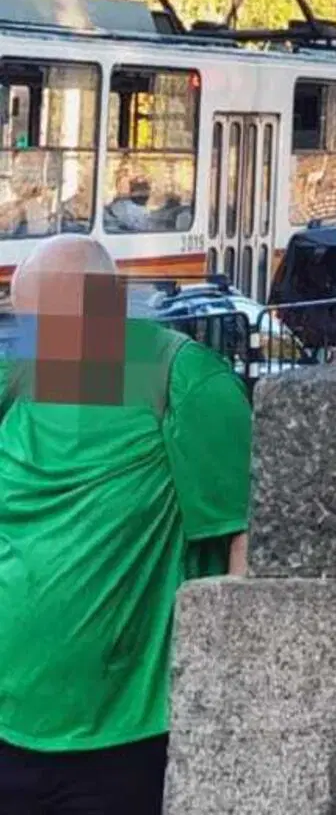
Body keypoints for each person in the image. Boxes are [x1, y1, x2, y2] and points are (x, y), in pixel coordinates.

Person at [0, 237, 251, 815]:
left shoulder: (181, 377)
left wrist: (225, 699)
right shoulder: (19, 380)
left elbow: (244, 536)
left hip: (126, 736)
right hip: (10, 727)